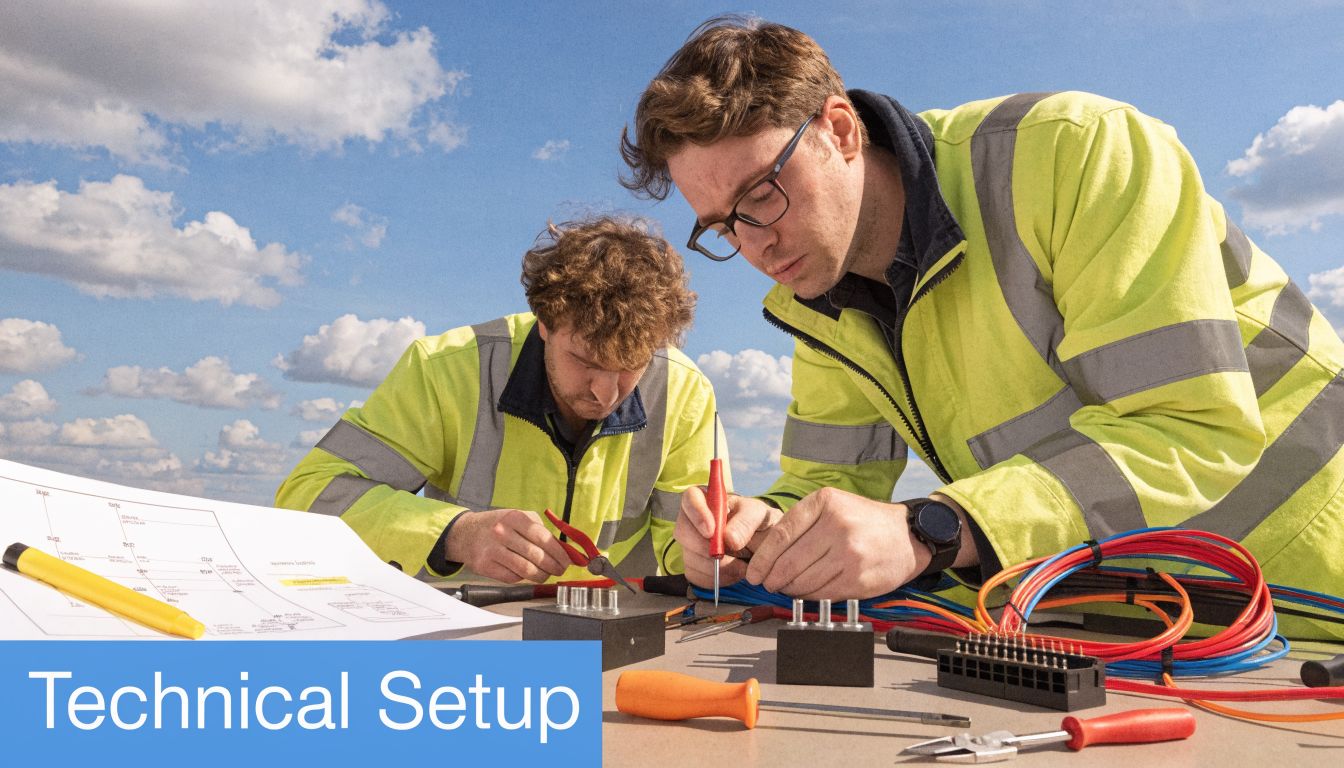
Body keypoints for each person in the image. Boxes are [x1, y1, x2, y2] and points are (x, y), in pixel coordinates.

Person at [621, 16, 1344, 638]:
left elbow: (1188, 426)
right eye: (723, 227)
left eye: (762, 195)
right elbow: (829, 481)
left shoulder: (1075, 151)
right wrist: (762, 528)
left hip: (1310, 590)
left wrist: (930, 529)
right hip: (1133, 622)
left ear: (838, 129)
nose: (756, 246)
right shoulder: (821, 296)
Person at [276, 215, 726, 584]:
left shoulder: (684, 391)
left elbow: (683, 549)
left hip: (616, 640)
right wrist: (454, 533)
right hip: (466, 639)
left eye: (631, 364)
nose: (605, 393)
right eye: (586, 360)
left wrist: (713, 558)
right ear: (544, 323)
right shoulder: (444, 370)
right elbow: (308, 498)